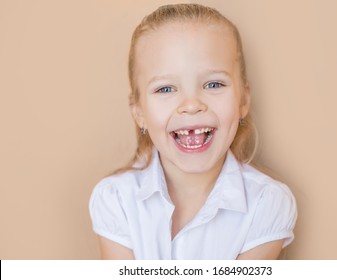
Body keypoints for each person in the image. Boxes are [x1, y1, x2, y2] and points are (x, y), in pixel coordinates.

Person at [89, 3, 297, 260]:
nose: (191, 105)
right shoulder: (115, 199)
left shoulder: (267, 203)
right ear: (139, 111)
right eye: (165, 89)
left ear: (243, 100)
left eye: (213, 84)